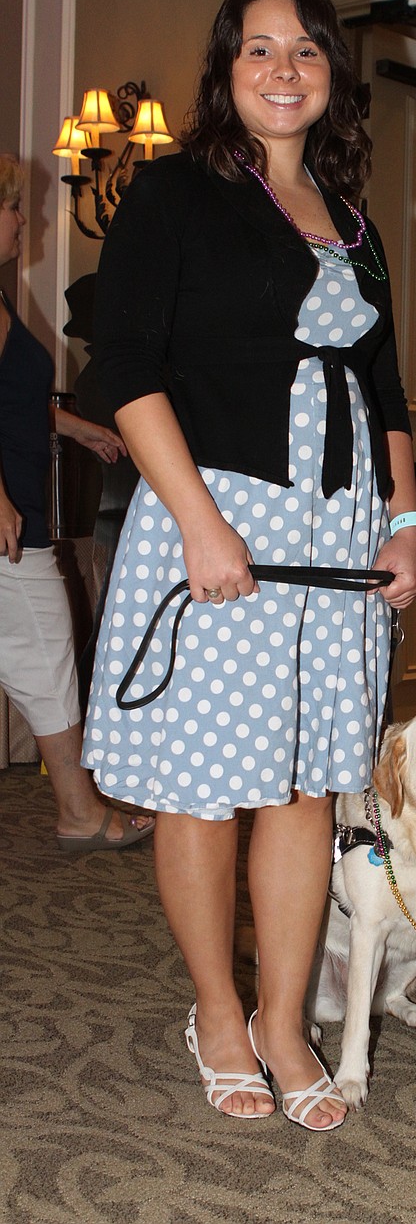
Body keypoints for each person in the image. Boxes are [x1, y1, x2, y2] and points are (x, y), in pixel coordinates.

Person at [82, 0, 416, 1127]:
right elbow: (123, 367)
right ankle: (220, 1015)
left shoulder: (357, 222)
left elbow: (384, 388)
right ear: (226, 71)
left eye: (307, 50)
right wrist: (200, 524)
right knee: (208, 786)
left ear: (333, 75)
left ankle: (284, 1021)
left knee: (305, 785)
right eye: (260, 49)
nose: (285, 70)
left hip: (338, 532)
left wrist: (404, 523)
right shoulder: (174, 192)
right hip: (218, 516)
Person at [0, 153, 154, 852]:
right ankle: (79, 811)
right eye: (13, 207)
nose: (23, 220)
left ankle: (78, 807)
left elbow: (13, 401)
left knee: (41, 652)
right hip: (12, 521)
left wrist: (77, 428)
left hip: (17, 507)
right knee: (46, 651)